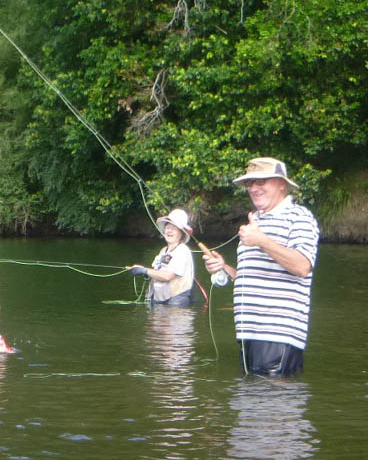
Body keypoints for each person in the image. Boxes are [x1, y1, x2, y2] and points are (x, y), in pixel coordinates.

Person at [203, 157, 319, 377]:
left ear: (281, 184)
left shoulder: (299, 217)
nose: (253, 188)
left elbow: (303, 266)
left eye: (261, 181)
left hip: (278, 335)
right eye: (250, 183)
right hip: (248, 332)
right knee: (251, 406)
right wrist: (224, 267)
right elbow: (250, 277)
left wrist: (261, 241)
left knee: (271, 405)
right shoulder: (255, 223)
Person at [128, 208, 195, 306]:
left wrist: (144, 270)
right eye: (168, 227)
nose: (169, 231)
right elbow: (158, 271)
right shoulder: (163, 251)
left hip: (176, 303)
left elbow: (168, 276)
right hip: (160, 301)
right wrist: (145, 273)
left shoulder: (183, 251)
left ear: (181, 233)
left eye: (174, 228)